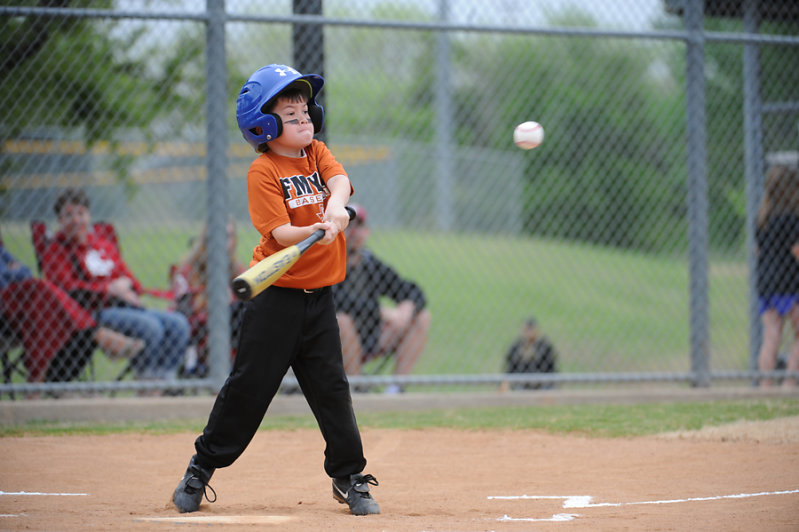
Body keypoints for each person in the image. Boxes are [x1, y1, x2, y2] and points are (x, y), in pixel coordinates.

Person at [172, 64, 380, 516]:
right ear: (263, 126)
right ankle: (201, 467)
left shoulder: (316, 153)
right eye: (291, 114)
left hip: (319, 298)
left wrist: (335, 207)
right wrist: (314, 231)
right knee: (249, 389)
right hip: (275, 299)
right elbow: (281, 234)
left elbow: (339, 180)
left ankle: (348, 476)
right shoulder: (263, 170)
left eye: (306, 111)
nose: (304, 118)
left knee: (332, 388)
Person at [41, 188, 191, 382]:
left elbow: (131, 280)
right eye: (68, 215)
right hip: (93, 311)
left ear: (89, 216)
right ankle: (146, 382)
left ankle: (164, 380)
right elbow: (67, 289)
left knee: (178, 324)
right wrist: (108, 290)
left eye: (81, 213)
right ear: (60, 220)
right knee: (151, 327)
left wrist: (127, 287)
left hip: (125, 305)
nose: (76, 220)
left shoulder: (102, 245)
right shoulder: (56, 251)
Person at [0, 235, 144, 383]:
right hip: (8, 311)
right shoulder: (56, 249)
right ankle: (98, 334)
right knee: (39, 289)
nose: (77, 223)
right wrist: (14, 272)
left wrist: (120, 289)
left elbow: (25, 273)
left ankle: (48, 381)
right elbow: (9, 279)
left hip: (34, 309)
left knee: (41, 293)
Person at [332, 203, 431, 391]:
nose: (354, 232)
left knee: (421, 317)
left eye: (359, 226)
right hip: (334, 341)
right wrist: (381, 312)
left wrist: (407, 307)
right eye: (348, 226)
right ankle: (355, 389)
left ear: (367, 232)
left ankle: (395, 390)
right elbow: (335, 300)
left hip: (370, 336)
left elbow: (410, 289)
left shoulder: (369, 263)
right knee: (342, 321)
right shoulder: (327, 261)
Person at [171, 216, 247, 377]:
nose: (224, 242)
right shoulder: (189, 270)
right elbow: (183, 311)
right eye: (219, 236)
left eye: (229, 236)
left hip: (233, 333)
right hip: (200, 334)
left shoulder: (237, 270)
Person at [755, 164, 799, 388]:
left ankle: (765, 385)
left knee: (771, 335)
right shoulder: (791, 220)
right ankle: (789, 382)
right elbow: (797, 250)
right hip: (789, 285)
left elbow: (757, 251)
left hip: (766, 285)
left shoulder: (762, 220)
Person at [503, 316, 558, 390]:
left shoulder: (544, 346)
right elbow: (509, 368)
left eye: (530, 329)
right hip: (521, 382)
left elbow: (551, 368)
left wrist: (535, 355)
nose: (528, 333)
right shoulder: (516, 346)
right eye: (526, 330)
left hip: (542, 382)